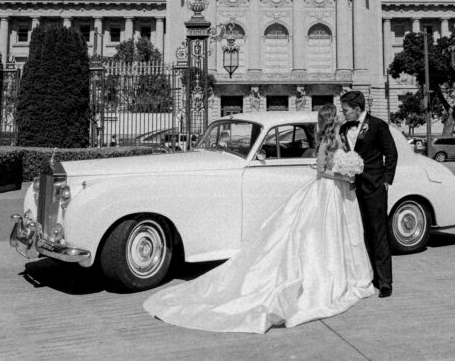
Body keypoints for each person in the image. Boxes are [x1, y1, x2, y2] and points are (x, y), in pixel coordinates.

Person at [142, 104, 376, 334]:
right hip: (328, 188)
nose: (338, 120)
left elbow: (333, 163)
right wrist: (342, 175)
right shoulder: (326, 143)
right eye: (335, 118)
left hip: (336, 191)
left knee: (334, 236)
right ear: (330, 121)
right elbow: (321, 170)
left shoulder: (340, 140)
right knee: (307, 237)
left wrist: (347, 173)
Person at [338, 89, 398, 298]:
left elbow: (391, 153)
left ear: (357, 109)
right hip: (353, 188)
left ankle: (385, 282)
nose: (343, 113)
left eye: (345, 110)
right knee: (362, 232)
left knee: (378, 233)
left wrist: (386, 181)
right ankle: (370, 275)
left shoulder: (378, 126)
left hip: (374, 186)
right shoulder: (344, 128)